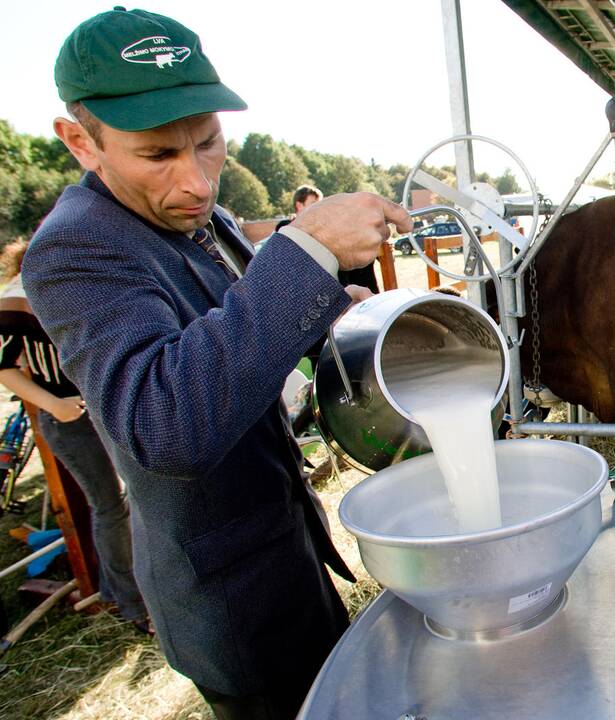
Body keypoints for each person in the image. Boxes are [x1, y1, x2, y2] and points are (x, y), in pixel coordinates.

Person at [22, 9, 411, 719]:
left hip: (287, 551)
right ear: (81, 142)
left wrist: (335, 313)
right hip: (229, 598)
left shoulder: (208, 219)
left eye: (208, 144)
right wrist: (305, 251)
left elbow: (231, 341)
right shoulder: (74, 250)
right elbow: (165, 424)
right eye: (159, 156)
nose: (198, 183)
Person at [0, 240, 151, 633]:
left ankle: (134, 589)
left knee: (133, 499)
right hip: (68, 417)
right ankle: (131, 603)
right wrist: (54, 405)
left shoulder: (67, 285)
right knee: (109, 505)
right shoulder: (18, 297)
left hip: (98, 406)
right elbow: (3, 368)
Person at [279, 184, 382, 295]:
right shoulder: (285, 232)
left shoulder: (332, 230)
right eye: (314, 204)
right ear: (299, 205)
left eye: (320, 204)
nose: (318, 209)